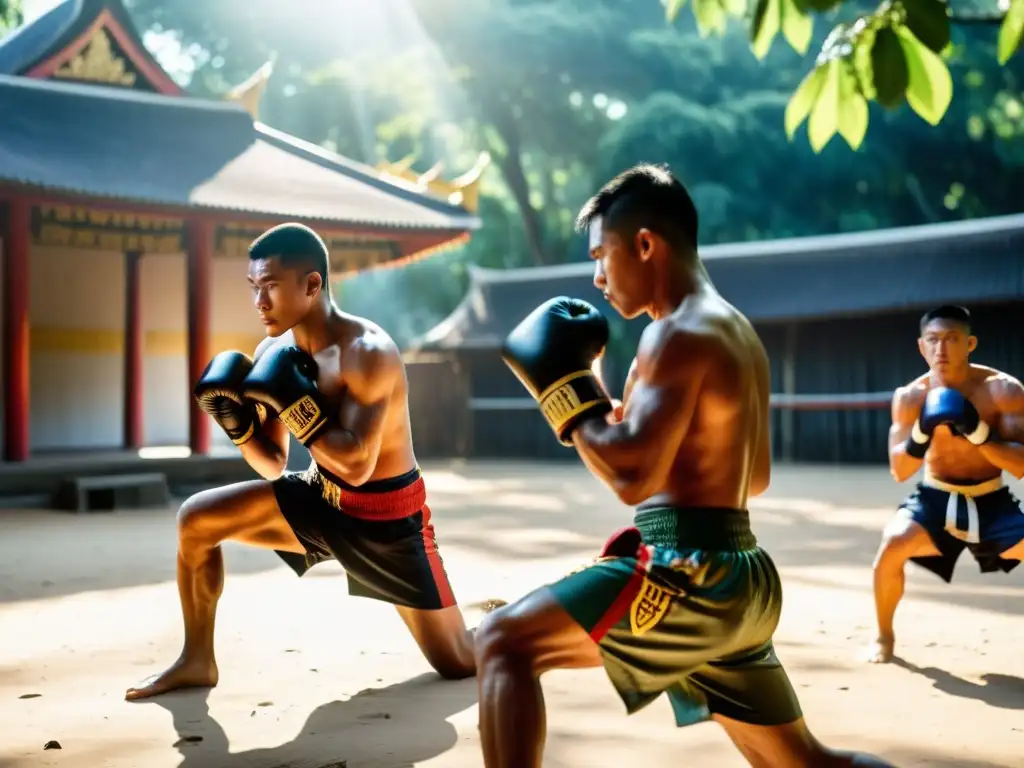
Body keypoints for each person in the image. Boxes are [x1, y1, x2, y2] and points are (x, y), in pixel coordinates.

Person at [477, 164, 891, 767]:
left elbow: (631, 479)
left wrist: (568, 399)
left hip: (688, 574)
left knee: (503, 642)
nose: (596, 277)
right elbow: (754, 477)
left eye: (601, 256)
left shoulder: (672, 334)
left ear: (645, 245)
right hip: (743, 574)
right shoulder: (736, 330)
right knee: (810, 764)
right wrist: (623, 425)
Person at [126, 222, 484, 700]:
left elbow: (357, 465)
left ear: (312, 284)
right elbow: (272, 465)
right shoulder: (273, 352)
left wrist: (296, 405)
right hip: (318, 498)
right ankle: (196, 659)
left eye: (271, 287)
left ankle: (495, 621)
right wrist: (237, 424)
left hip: (387, 520)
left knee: (459, 662)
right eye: (254, 288)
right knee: (196, 521)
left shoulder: (368, 353)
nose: (260, 303)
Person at [868, 305, 1024, 664]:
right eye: (933, 341)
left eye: (952, 340)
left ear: (970, 344)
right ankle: (884, 637)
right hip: (935, 498)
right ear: (921, 347)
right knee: (892, 545)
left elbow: (1019, 465)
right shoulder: (910, 397)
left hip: (991, 498)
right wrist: (923, 431)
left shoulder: (1003, 390)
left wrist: (979, 434)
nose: (941, 350)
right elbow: (900, 470)